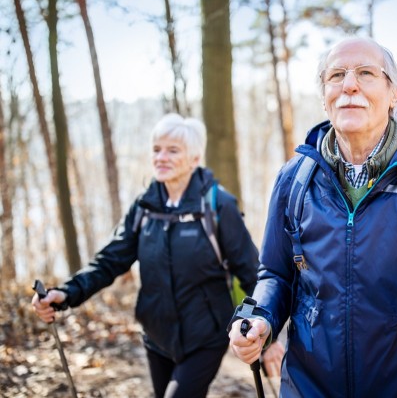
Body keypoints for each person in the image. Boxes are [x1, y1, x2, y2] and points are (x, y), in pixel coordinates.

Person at [228, 37, 397, 397]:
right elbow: (276, 275)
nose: (349, 85)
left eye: (365, 73)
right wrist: (260, 317)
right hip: (310, 386)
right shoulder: (294, 179)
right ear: (324, 95)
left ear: (394, 94)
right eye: (337, 75)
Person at [32, 113, 260, 398]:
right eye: (156, 149)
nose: (161, 157)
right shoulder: (144, 208)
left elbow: (253, 272)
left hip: (206, 337)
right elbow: (109, 261)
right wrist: (66, 293)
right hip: (157, 337)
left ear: (194, 159)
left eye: (172, 150)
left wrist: (265, 330)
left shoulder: (217, 206)